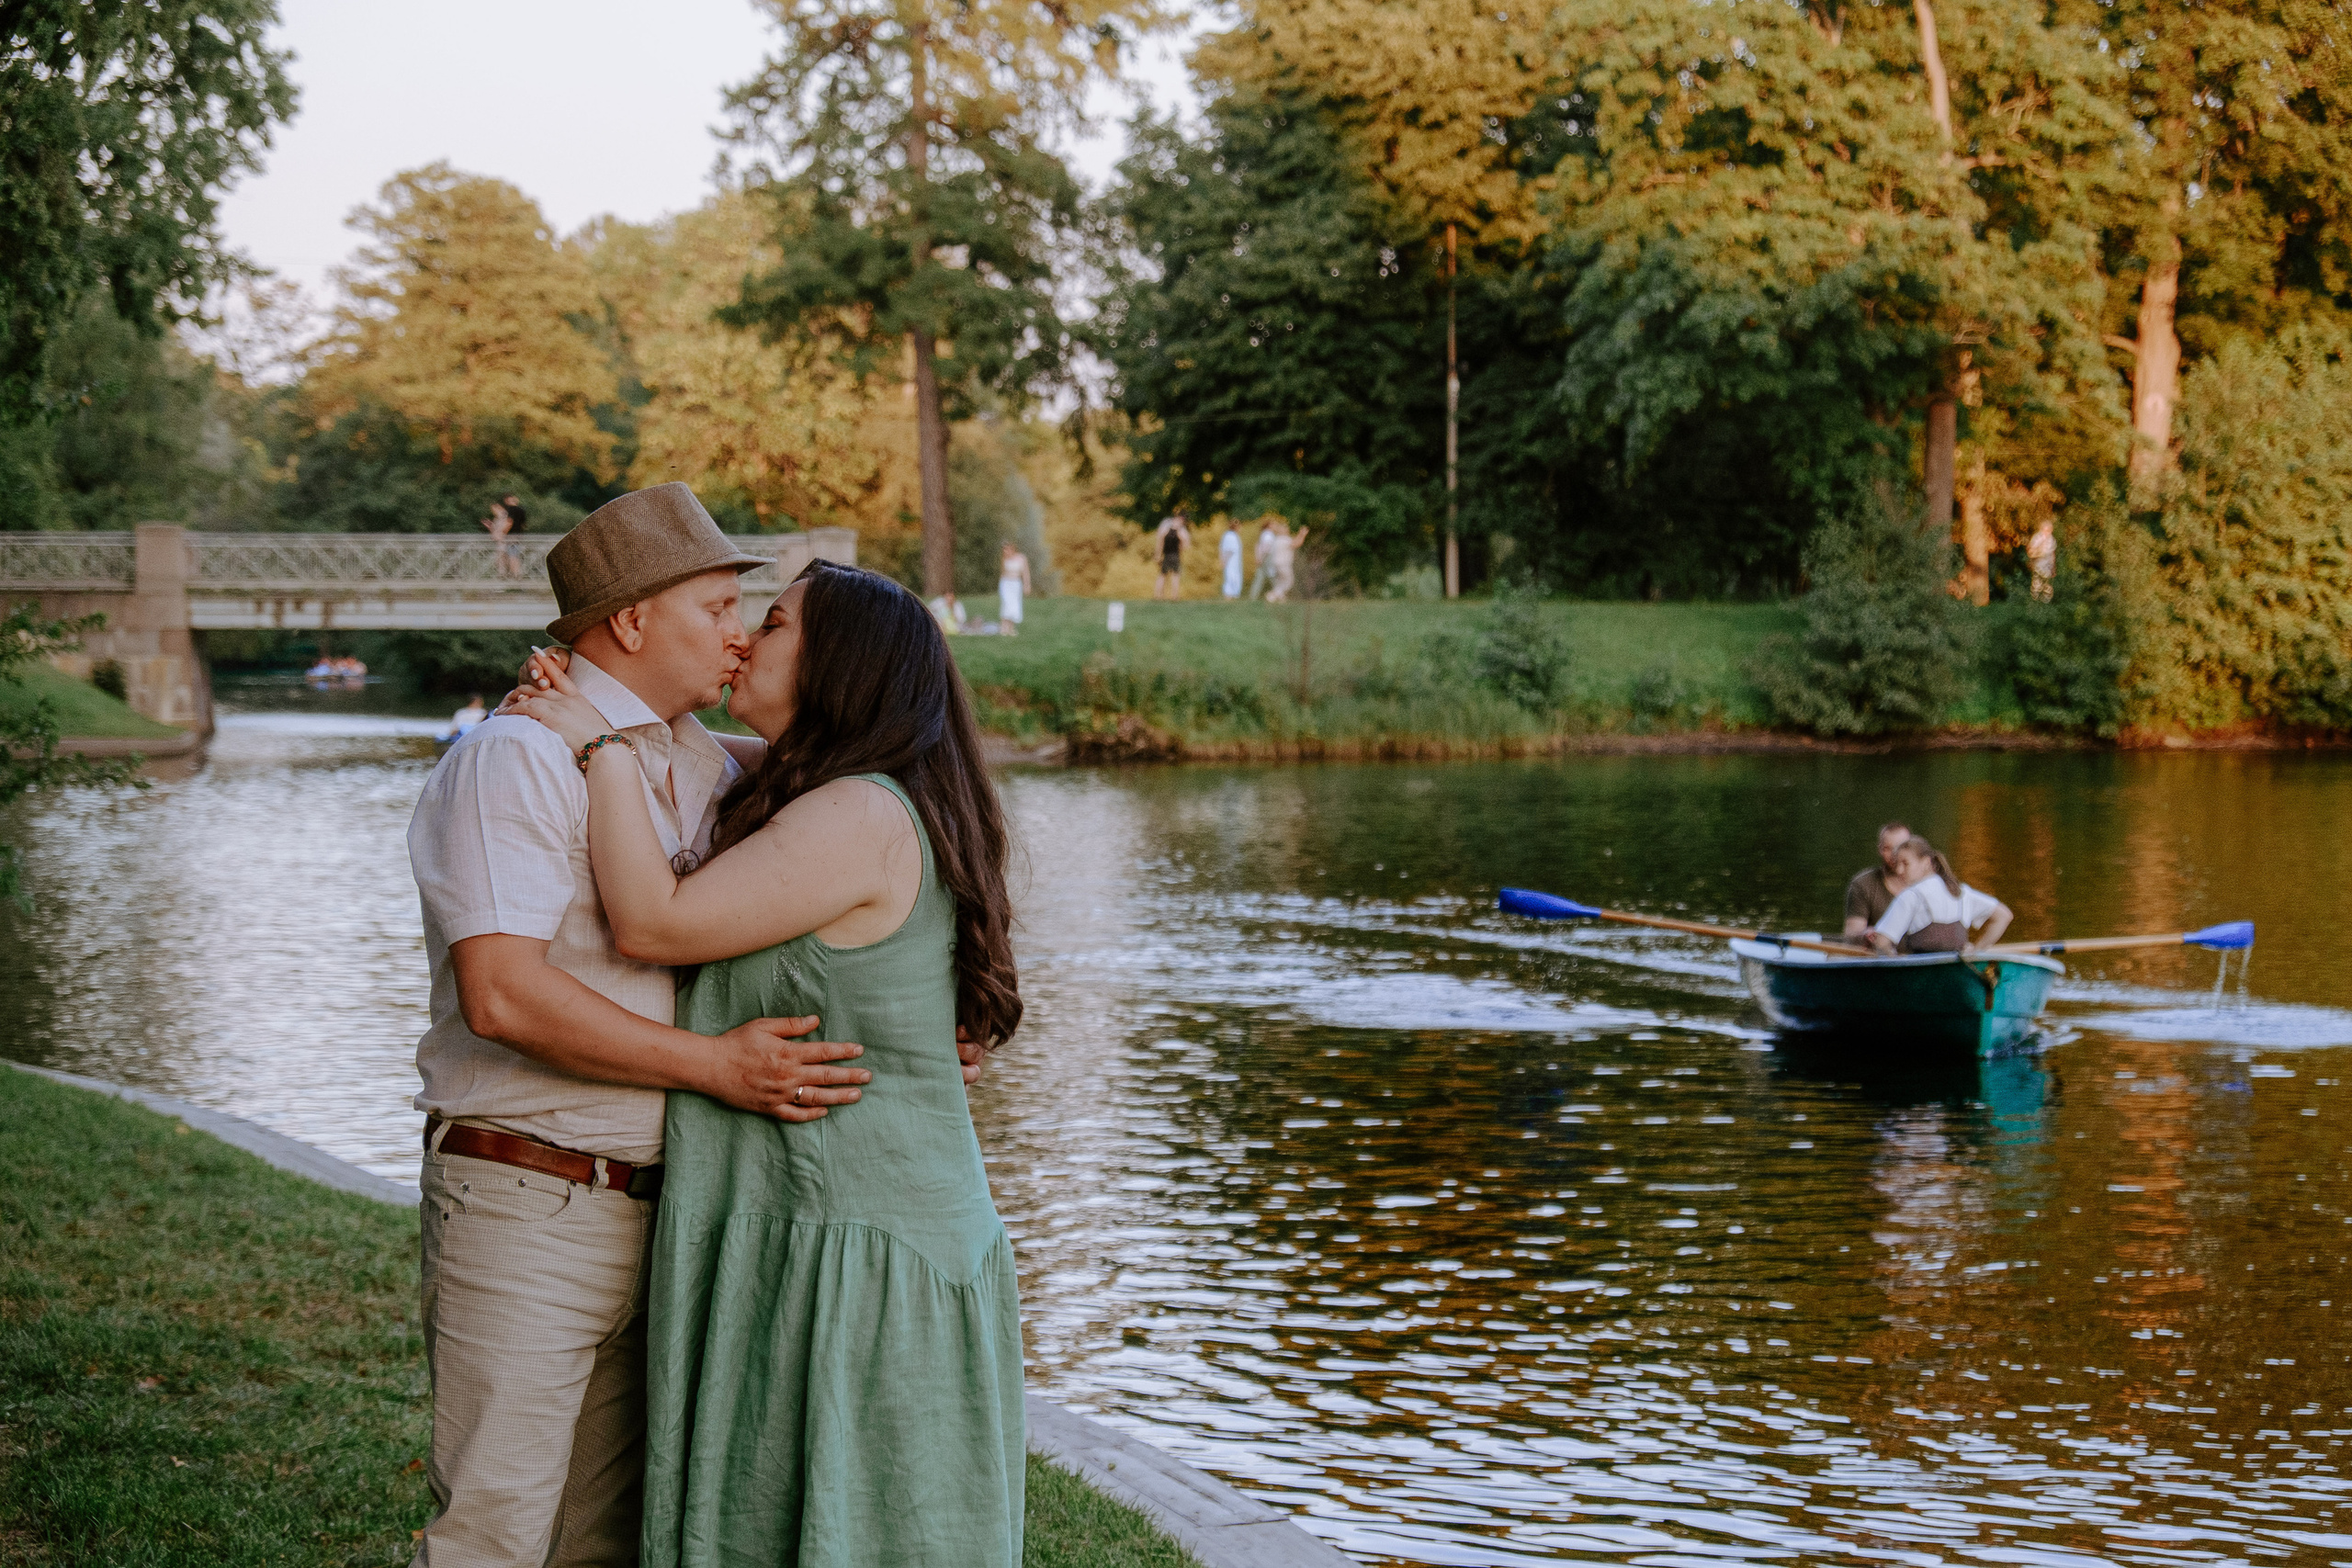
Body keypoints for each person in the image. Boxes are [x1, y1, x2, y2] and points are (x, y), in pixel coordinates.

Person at [403, 483, 903, 1566]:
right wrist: (715, 1069)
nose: (739, 634)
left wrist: (947, 1002)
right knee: (493, 1534)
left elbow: (873, 789)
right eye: (721, 607)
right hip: (529, 1197)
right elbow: (503, 994)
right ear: (631, 621)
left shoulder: (696, 762)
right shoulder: (515, 758)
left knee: (613, 1543)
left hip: (674, 1213)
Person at [508, 557, 1026, 1564]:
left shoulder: (859, 815)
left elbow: (654, 924)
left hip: (855, 1241)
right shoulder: (842, 792)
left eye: (774, 623)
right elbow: (715, 760)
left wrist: (602, 747)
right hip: (820, 1217)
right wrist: (619, 721)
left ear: (837, 663)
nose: (744, 637)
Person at [1865, 836, 2014, 955]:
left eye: (1905, 863)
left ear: (1926, 862)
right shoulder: (1961, 892)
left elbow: (1881, 942)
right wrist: (1976, 952)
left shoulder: (1911, 896)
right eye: (1897, 864)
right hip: (1959, 972)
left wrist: (1893, 961)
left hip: (1921, 978)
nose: (1899, 870)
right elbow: (2004, 916)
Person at [1842, 820, 1913, 941]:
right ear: (1880, 850)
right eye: (1888, 848)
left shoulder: (1927, 884)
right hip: (1879, 954)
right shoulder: (1863, 884)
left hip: (1920, 953)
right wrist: (1864, 935)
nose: (1894, 855)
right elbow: (1851, 934)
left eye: (1900, 848)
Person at [1264, 522, 1309, 604]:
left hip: (1276, 564)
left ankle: (1281, 599)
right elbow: (1296, 543)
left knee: (1281, 582)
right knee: (1289, 582)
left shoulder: (1277, 539)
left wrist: (1300, 535)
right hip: (1283, 564)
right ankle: (1273, 595)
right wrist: (1302, 534)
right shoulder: (1284, 539)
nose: (1288, 529)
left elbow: (1294, 542)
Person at [1153, 509, 1190, 600]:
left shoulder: (1166, 525)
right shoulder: (1181, 530)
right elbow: (1186, 544)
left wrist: (1158, 554)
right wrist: (1181, 548)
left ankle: (1158, 595)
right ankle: (1174, 596)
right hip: (1175, 554)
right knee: (1175, 575)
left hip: (1166, 554)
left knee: (1163, 574)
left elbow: (1160, 541)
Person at [997, 540, 1031, 637]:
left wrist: (1027, 585)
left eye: (1007, 549)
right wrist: (1000, 586)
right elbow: (1002, 573)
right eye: (1004, 549)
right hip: (1006, 583)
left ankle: (1011, 628)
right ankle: (1004, 627)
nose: (1005, 551)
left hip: (1016, 584)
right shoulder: (1004, 559)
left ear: (1012, 548)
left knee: (1014, 605)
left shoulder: (1021, 558)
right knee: (1006, 604)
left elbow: (1025, 572)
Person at [483, 500, 522, 580]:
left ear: (499, 507)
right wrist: (490, 526)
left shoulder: (506, 516)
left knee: (508, 560)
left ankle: (513, 579)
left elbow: (506, 528)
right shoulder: (497, 518)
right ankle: (505, 578)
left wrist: (499, 534)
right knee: (500, 561)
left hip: (505, 542)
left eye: (494, 509)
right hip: (500, 543)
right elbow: (495, 531)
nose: (493, 511)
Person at [2028, 518, 2057, 603]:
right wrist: (2039, 550)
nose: (2048, 532)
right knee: (2036, 585)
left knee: (2047, 586)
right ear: (2042, 529)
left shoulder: (2052, 540)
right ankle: (2035, 602)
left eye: (2049, 530)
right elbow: (2031, 551)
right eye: (2046, 530)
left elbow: (2052, 553)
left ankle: (2045, 603)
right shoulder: (2037, 538)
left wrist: (2053, 567)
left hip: (2048, 565)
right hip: (2038, 564)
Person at [1218, 521, 1243, 600]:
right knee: (1230, 578)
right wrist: (1224, 561)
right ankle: (1228, 596)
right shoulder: (1230, 536)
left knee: (1233, 578)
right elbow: (1229, 550)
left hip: (1234, 561)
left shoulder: (1232, 535)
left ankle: (1233, 596)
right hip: (1231, 561)